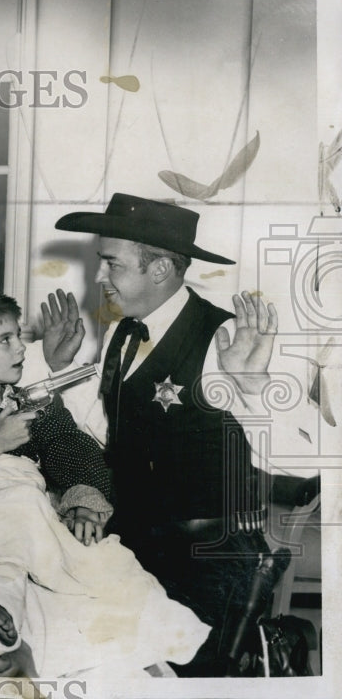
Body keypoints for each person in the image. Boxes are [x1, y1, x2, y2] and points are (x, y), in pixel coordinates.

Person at [0, 289, 209, 678]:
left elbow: (73, 450)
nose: (21, 349)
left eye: (18, 336)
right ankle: (0, 616)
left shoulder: (34, 404)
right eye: (6, 340)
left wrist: (83, 501)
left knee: (105, 561)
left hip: (26, 507)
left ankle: (1, 622)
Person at [46, 192, 284, 676]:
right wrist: (59, 369)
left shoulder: (227, 339)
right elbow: (106, 434)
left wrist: (254, 386)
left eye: (111, 263)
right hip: (133, 545)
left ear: (159, 270)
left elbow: (282, 459)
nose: (98, 275)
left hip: (205, 563)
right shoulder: (123, 332)